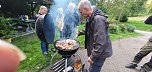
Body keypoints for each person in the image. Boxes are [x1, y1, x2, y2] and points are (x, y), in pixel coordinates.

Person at [77, 0, 112, 72]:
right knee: (92, 67)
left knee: (94, 69)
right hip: (97, 51)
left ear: (86, 9)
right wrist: (79, 33)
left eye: (81, 12)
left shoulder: (98, 19)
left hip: (100, 53)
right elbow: (90, 29)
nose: (81, 14)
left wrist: (92, 57)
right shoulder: (91, 15)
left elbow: (100, 42)